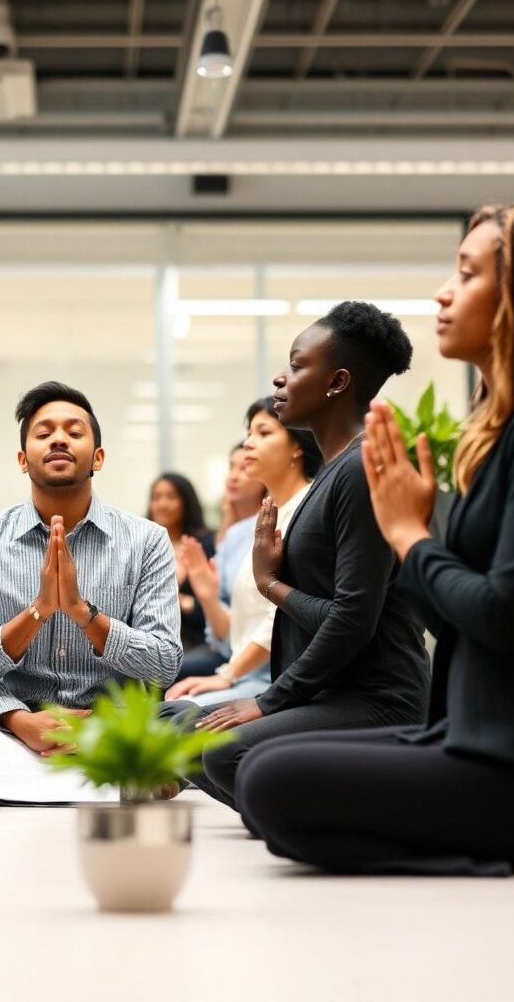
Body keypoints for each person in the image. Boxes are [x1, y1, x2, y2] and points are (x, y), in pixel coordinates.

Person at [238, 201, 514, 875]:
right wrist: (400, 530)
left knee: (269, 782)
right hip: (465, 734)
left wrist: (411, 538)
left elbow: (505, 616)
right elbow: (452, 619)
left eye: (467, 275)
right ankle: (458, 841)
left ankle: (480, 847)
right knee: (262, 765)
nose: (444, 291)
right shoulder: (502, 428)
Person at [172, 301, 431, 810]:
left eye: (296, 365)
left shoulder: (359, 471)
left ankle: (368, 804)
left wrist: (272, 590)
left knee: (220, 752)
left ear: (336, 383)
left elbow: (352, 619)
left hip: (377, 701)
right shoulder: (334, 473)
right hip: (328, 695)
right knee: (178, 729)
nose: (280, 378)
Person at [0, 381, 181, 799]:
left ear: (97, 457)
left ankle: (35, 780)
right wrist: (39, 613)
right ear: (22, 459)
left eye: (74, 431)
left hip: (113, 726)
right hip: (14, 730)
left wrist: (83, 612)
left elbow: (163, 664)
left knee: (191, 719)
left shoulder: (147, 540)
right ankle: (112, 780)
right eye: (44, 433)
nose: (59, 440)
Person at [165, 397, 320, 708]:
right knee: (165, 710)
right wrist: (208, 595)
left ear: (297, 446)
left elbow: (281, 617)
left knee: (171, 717)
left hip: (279, 681)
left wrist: (227, 675)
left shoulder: (309, 510)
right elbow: (232, 636)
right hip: (248, 678)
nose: (248, 443)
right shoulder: (260, 520)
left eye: (263, 433)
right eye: (249, 433)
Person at [175, 444, 265, 679]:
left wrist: (201, 599)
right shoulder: (232, 534)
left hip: (247, 653)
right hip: (222, 638)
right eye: (230, 467)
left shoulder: (267, 529)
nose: (233, 476)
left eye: (244, 468)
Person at [147, 472, 214, 652]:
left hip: (193, 640)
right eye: (156, 497)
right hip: (148, 639)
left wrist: (182, 601)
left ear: (186, 502)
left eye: (171, 497)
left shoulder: (204, 545)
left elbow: (214, 606)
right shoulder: (142, 546)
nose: (162, 504)